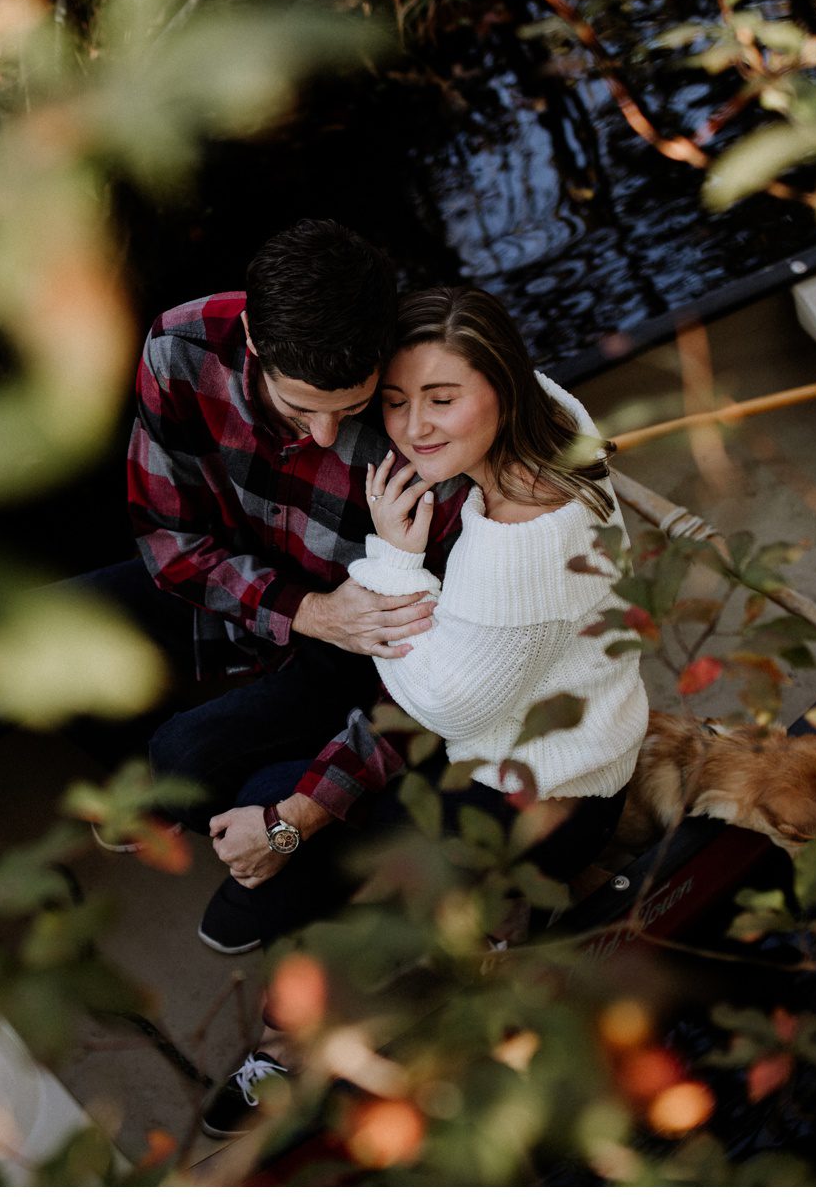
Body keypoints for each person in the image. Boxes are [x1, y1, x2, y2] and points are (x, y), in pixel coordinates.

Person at [0, 220, 467, 953]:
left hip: (362, 656)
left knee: (195, 778)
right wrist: (304, 609)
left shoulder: (425, 423)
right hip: (247, 588)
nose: (326, 435)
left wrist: (298, 812)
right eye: (301, 409)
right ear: (252, 341)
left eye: (350, 408)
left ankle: (273, 801)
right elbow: (168, 543)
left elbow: (438, 681)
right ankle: (177, 782)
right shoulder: (181, 348)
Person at [197, 284, 647, 1135]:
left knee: (321, 877)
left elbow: (442, 703)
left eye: (442, 399)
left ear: (503, 385)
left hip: (544, 787)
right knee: (283, 799)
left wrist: (396, 560)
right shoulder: (550, 416)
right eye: (398, 401)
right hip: (531, 731)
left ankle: (289, 1044)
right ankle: (478, 920)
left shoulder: (520, 546)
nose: (412, 429)